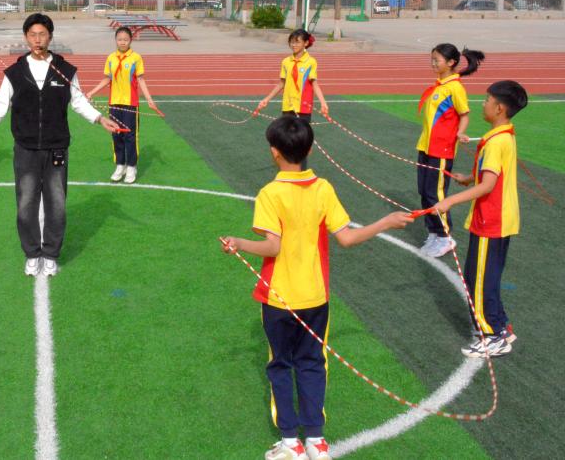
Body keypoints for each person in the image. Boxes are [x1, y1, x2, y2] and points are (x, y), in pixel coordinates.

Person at [220, 116, 411, 460]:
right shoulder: (323, 188)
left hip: (279, 298)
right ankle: (316, 441)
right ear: (308, 149)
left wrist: (239, 243)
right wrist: (385, 221)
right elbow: (347, 238)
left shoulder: (270, 193)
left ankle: (291, 442)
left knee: (280, 364)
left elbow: (273, 247)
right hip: (315, 297)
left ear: (274, 152)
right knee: (311, 363)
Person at [0, 13, 121, 277]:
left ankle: (51, 254)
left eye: (42, 34)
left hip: (57, 147)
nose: (38, 40)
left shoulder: (64, 70)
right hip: (25, 149)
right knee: (26, 203)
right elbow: (0, 108)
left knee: (57, 203)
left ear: (50, 37)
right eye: (33, 35)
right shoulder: (14, 73)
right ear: (26, 37)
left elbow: (79, 101)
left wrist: (100, 118)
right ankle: (32, 253)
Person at [433, 80, 527, 358]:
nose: (482, 104)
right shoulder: (504, 135)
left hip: (492, 220)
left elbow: (488, 186)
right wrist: (469, 178)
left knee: (479, 280)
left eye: (487, 100)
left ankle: (493, 335)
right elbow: (490, 175)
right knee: (486, 276)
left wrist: (449, 200)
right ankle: (501, 326)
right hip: (498, 219)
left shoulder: (496, 142)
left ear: (499, 108)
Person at [415, 44, 485, 258]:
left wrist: (460, 132)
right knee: (424, 191)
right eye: (432, 59)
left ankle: (445, 236)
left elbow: (464, 114)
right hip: (426, 146)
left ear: (451, 62)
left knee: (435, 193)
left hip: (441, 149)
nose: (433, 63)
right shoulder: (440, 85)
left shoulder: (455, 87)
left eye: (437, 60)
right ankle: (434, 231)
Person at [85, 26, 161, 183]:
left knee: (130, 136)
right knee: (116, 134)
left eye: (126, 39)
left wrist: (149, 99)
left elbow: (140, 79)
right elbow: (107, 79)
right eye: (120, 39)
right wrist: (92, 92)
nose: (122, 42)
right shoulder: (111, 58)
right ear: (115, 40)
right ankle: (120, 165)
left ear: (130, 40)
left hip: (130, 103)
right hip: (114, 103)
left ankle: (132, 166)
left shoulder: (136, 58)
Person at [257, 29, 329, 169]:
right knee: (285, 140)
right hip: (288, 107)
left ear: (306, 43)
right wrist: (266, 99)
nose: (294, 45)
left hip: (303, 108)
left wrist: (323, 102)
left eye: (297, 42)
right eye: (291, 42)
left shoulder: (310, 62)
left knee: (302, 142)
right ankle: (287, 169)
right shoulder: (286, 62)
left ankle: (301, 171)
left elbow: (314, 83)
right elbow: (281, 83)